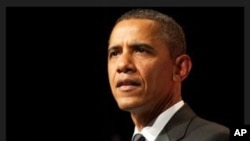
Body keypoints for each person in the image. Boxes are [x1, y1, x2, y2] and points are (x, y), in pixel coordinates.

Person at [107, 8, 230, 141]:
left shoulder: (214, 137)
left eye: (140, 50)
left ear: (179, 69)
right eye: (115, 53)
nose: (122, 65)